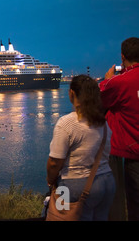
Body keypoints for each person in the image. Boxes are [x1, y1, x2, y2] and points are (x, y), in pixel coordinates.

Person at [46, 75, 115, 221]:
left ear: (71, 93)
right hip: (107, 182)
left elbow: (54, 162)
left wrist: (51, 180)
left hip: (72, 186)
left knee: (60, 216)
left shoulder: (67, 123)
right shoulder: (103, 123)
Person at [99, 37, 139, 221]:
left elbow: (99, 97)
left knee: (132, 204)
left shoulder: (118, 82)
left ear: (122, 56)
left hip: (131, 155)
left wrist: (108, 79)